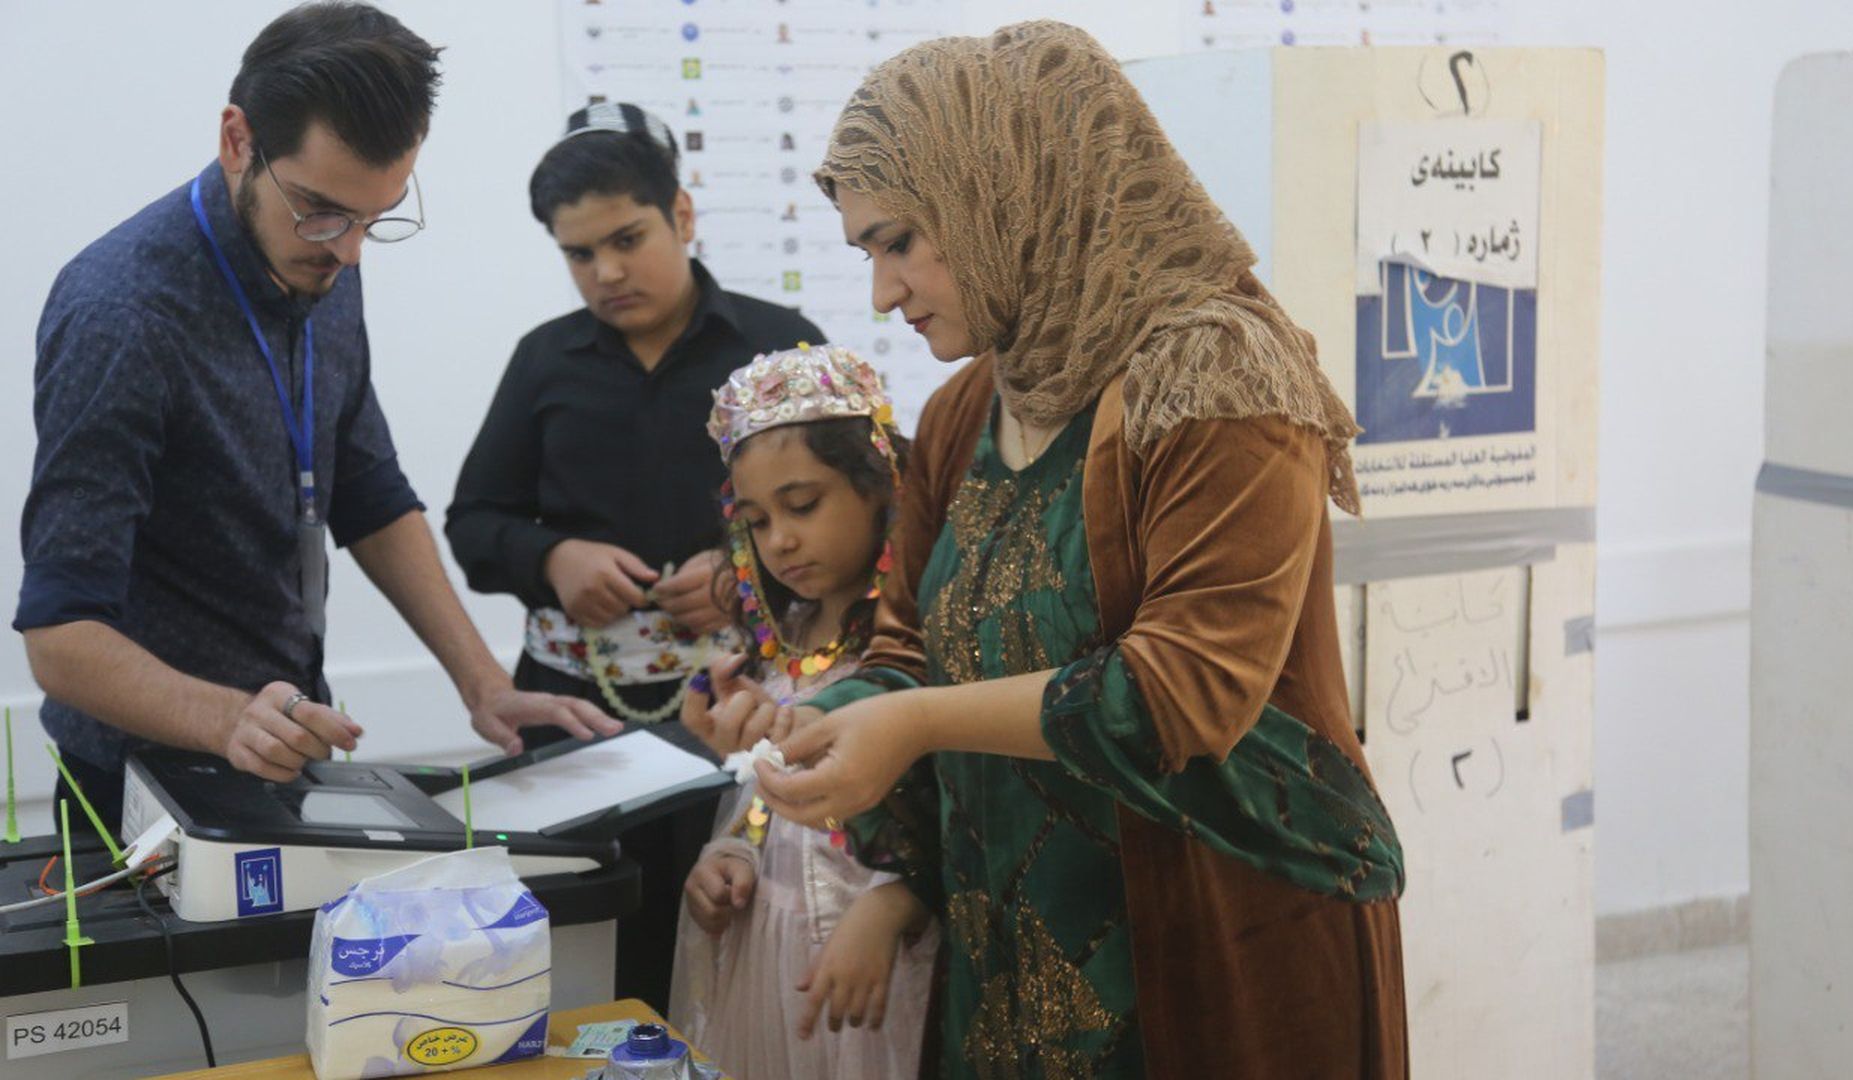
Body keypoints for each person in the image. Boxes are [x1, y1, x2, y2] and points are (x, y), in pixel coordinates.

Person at [711, 22, 1410, 1078]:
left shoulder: (1214, 379)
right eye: (869, 252)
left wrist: (912, 722)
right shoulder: (964, 413)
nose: (883, 293)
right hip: (1012, 971)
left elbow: (1185, 691)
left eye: (900, 240)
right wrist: (824, 719)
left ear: (1002, 187)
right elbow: (907, 648)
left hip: (1217, 945)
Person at [14, 1, 619, 836]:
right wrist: (227, 719)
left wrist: (481, 680)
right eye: (323, 211)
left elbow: (369, 492)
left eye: (378, 216)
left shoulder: (326, 256)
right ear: (238, 142)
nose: (350, 251)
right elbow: (60, 637)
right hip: (139, 780)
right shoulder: (121, 314)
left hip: (284, 743)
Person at [444, 101, 821, 1009]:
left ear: (681, 217)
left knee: (727, 958)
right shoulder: (545, 362)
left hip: (743, 716)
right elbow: (472, 523)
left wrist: (747, 574)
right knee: (568, 963)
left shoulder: (779, 346)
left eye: (628, 238)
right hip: (573, 718)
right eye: (579, 254)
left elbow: (866, 523)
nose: (607, 272)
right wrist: (553, 557)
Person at [666, 345, 936, 1079]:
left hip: (879, 951)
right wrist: (730, 852)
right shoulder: (781, 644)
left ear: (881, 487)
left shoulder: (921, 644)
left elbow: (955, 809)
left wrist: (893, 904)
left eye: (803, 505)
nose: (779, 540)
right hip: (773, 948)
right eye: (755, 521)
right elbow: (768, 794)